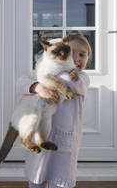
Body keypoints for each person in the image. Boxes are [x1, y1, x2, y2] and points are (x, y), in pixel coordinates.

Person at [16, 32, 92, 188]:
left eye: (82, 55)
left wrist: (43, 78)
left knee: (61, 176)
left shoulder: (82, 78)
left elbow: (70, 81)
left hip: (65, 137)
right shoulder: (47, 71)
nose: (77, 59)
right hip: (42, 133)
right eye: (72, 53)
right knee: (38, 173)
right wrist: (37, 87)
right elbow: (20, 82)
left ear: (88, 59)